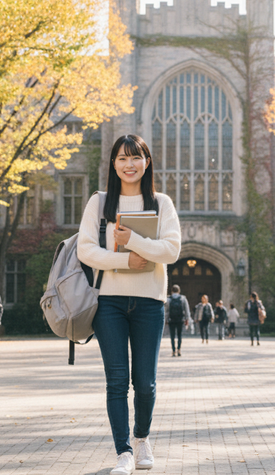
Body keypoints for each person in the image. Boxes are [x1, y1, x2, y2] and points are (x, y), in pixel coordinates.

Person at [76, 134, 181, 475]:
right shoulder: (100, 203)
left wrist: (133, 240)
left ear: (146, 162)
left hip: (150, 302)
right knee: (117, 381)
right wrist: (125, 261)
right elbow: (85, 250)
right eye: (122, 158)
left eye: (136, 157)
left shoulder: (161, 203)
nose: (129, 164)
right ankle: (123, 452)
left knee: (145, 382)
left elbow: (172, 250)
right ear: (113, 164)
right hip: (109, 302)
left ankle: (142, 437)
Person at [164, 284, 190, 356]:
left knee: (172, 336)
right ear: (179, 291)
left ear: (171, 291)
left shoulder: (168, 299)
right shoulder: (183, 298)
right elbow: (187, 310)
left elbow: (166, 311)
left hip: (171, 320)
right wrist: (187, 319)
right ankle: (179, 349)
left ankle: (173, 350)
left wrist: (165, 319)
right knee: (179, 335)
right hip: (180, 320)